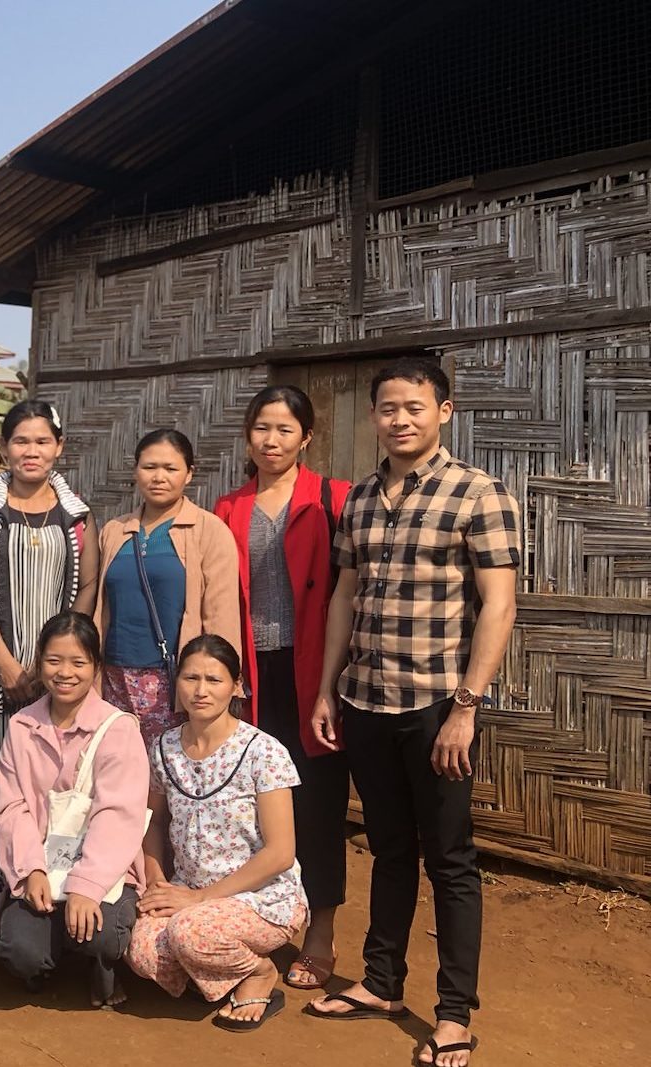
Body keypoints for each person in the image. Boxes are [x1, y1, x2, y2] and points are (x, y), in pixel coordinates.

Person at [307, 358, 519, 1067]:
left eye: (414, 406)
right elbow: (344, 595)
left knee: (452, 860)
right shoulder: (361, 498)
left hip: (437, 708)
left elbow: (499, 603)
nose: (399, 418)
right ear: (374, 416)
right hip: (367, 700)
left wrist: (467, 705)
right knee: (390, 849)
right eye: (388, 407)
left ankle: (455, 1014)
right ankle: (380, 982)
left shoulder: (479, 494)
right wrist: (327, 686)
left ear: (444, 410)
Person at [212, 384, 352, 990]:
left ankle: (319, 937)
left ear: (306, 437)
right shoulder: (227, 509)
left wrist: (335, 680)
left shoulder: (334, 500)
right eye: (261, 428)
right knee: (252, 808)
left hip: (313, 673)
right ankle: (257, 926)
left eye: (284, 430)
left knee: (318, 803)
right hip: (252, 678)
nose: (271, 440)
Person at [126, 635, 306, 1032]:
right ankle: (216, 973)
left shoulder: (264, 752)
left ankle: (258, 973)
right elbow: (153, 820)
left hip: (259, 897)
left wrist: (199, 899)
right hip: (187, 890)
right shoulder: (164, 748)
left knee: (190, 934)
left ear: (237, 685)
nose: (201, 690)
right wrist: (156, 881)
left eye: (214, 679)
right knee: (141, 952)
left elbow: (280, 853)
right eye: (191, 678)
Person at [0, 399, 98, 867]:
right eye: (21, 441)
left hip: (56, 674)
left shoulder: (76, 517)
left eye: (42, 441)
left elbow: (85, 591)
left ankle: (45, 889)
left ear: (59, 447)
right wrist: (7, 662)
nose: (31, 451)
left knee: (53, 785)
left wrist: (49, 667)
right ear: (4, 448)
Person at [0, 611, 148, 1009]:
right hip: (42, 867)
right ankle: (50, 953)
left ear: (96, 666)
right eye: (54, 660)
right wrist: (31, 870)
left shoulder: (119, 729)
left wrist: (87, 886)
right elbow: (12, 808)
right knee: (18, 952)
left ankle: (102, 963)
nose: (65, 673)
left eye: (78, 662)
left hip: (104, 874)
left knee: (100, 935)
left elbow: (118, 815)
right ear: (40, 661)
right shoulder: (20, 727)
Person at [92, 429, 240, 748]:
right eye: (149, 467)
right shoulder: (114, 531)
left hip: (173, 682)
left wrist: (217, 684)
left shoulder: (209, 531)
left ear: (189, 474)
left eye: (171, 469)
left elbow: (221, 615)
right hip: (113, 678)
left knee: (168, 777)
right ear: (136, 471)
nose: (159, 477)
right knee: (117, 771)